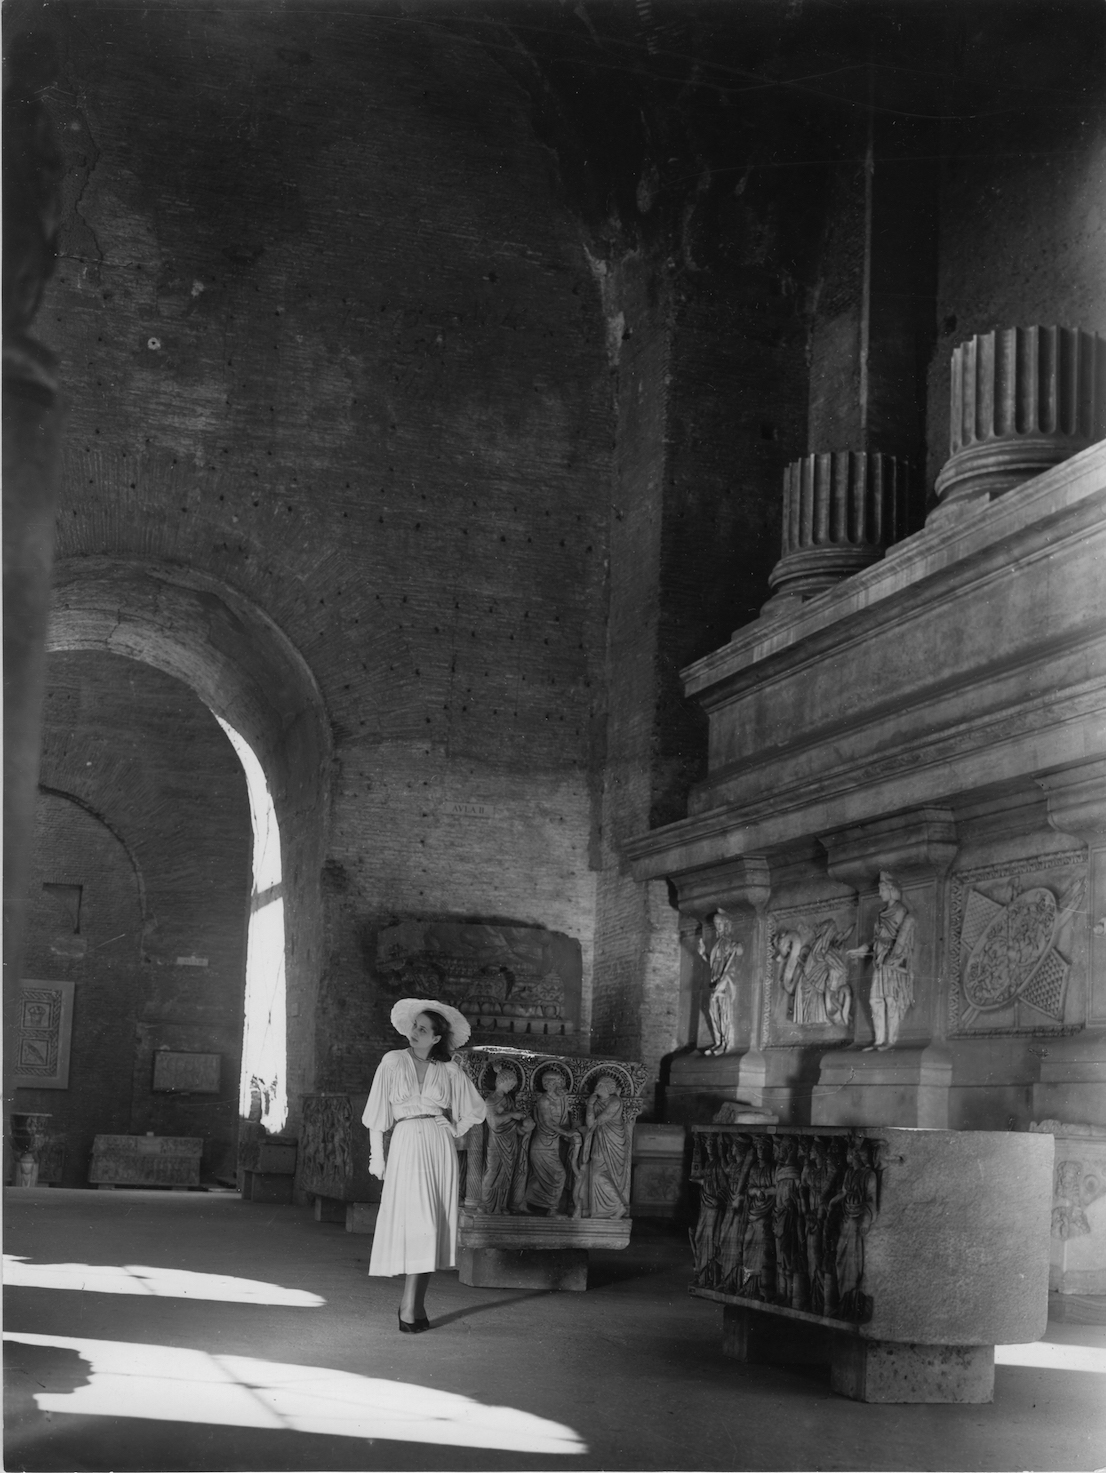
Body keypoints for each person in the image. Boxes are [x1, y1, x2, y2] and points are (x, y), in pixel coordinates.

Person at [363, 997, 486, 1332]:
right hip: (404, 1143)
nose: (413, 1032)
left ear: (436, 1038)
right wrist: (378, 1157)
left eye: (422, 1029)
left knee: (430, 1224)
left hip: (437, 1144)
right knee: (413, 1222)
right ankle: (410, 1304)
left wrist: (456, 1128)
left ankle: (411, 1305)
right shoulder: (392, 1061)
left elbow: (475, 1109)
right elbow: (376, 1114)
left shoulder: (449, 1070)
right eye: (413, 1026)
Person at [848, 872, 916, 1050]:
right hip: (879, 960)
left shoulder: (901, 910)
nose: (880, 893)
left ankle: (890, 1040)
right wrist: (862, 949)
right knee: (874, 1000)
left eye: (882, 889)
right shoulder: (881, 913)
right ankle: (879, 1040)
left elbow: (903, 938)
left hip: (892, 961)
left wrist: (895, 955)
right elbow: (876, 939)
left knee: (891, 1000)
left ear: (892, 889)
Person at [480, 1064, 531, 1214]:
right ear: (502, 1081)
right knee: (493, 1171)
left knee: (506, 1174)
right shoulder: (490, 1100)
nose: (510, 1088)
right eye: (510, 1084)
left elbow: (514, 1121)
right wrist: (511, 1115)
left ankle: (501, 1205)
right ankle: (487, 1204)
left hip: (510, 1141)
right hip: (496, 1141)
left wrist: (523, 1124)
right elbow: (494, 1122)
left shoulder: (509, 1100)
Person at [525, 1066, 574, 1214]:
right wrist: (566, 1132)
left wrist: (567, 1134)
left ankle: (525, 1201)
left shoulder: (562, 1100)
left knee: (542, 1179)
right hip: (541, 1145)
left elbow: (564, 1121)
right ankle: (551, 1208)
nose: (560, 1085)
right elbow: (548, 1122)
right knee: (558, 1175)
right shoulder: (544, 1100)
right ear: (548, 1084)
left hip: (553, 1145)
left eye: (560, 1082)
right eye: (557, 1082)